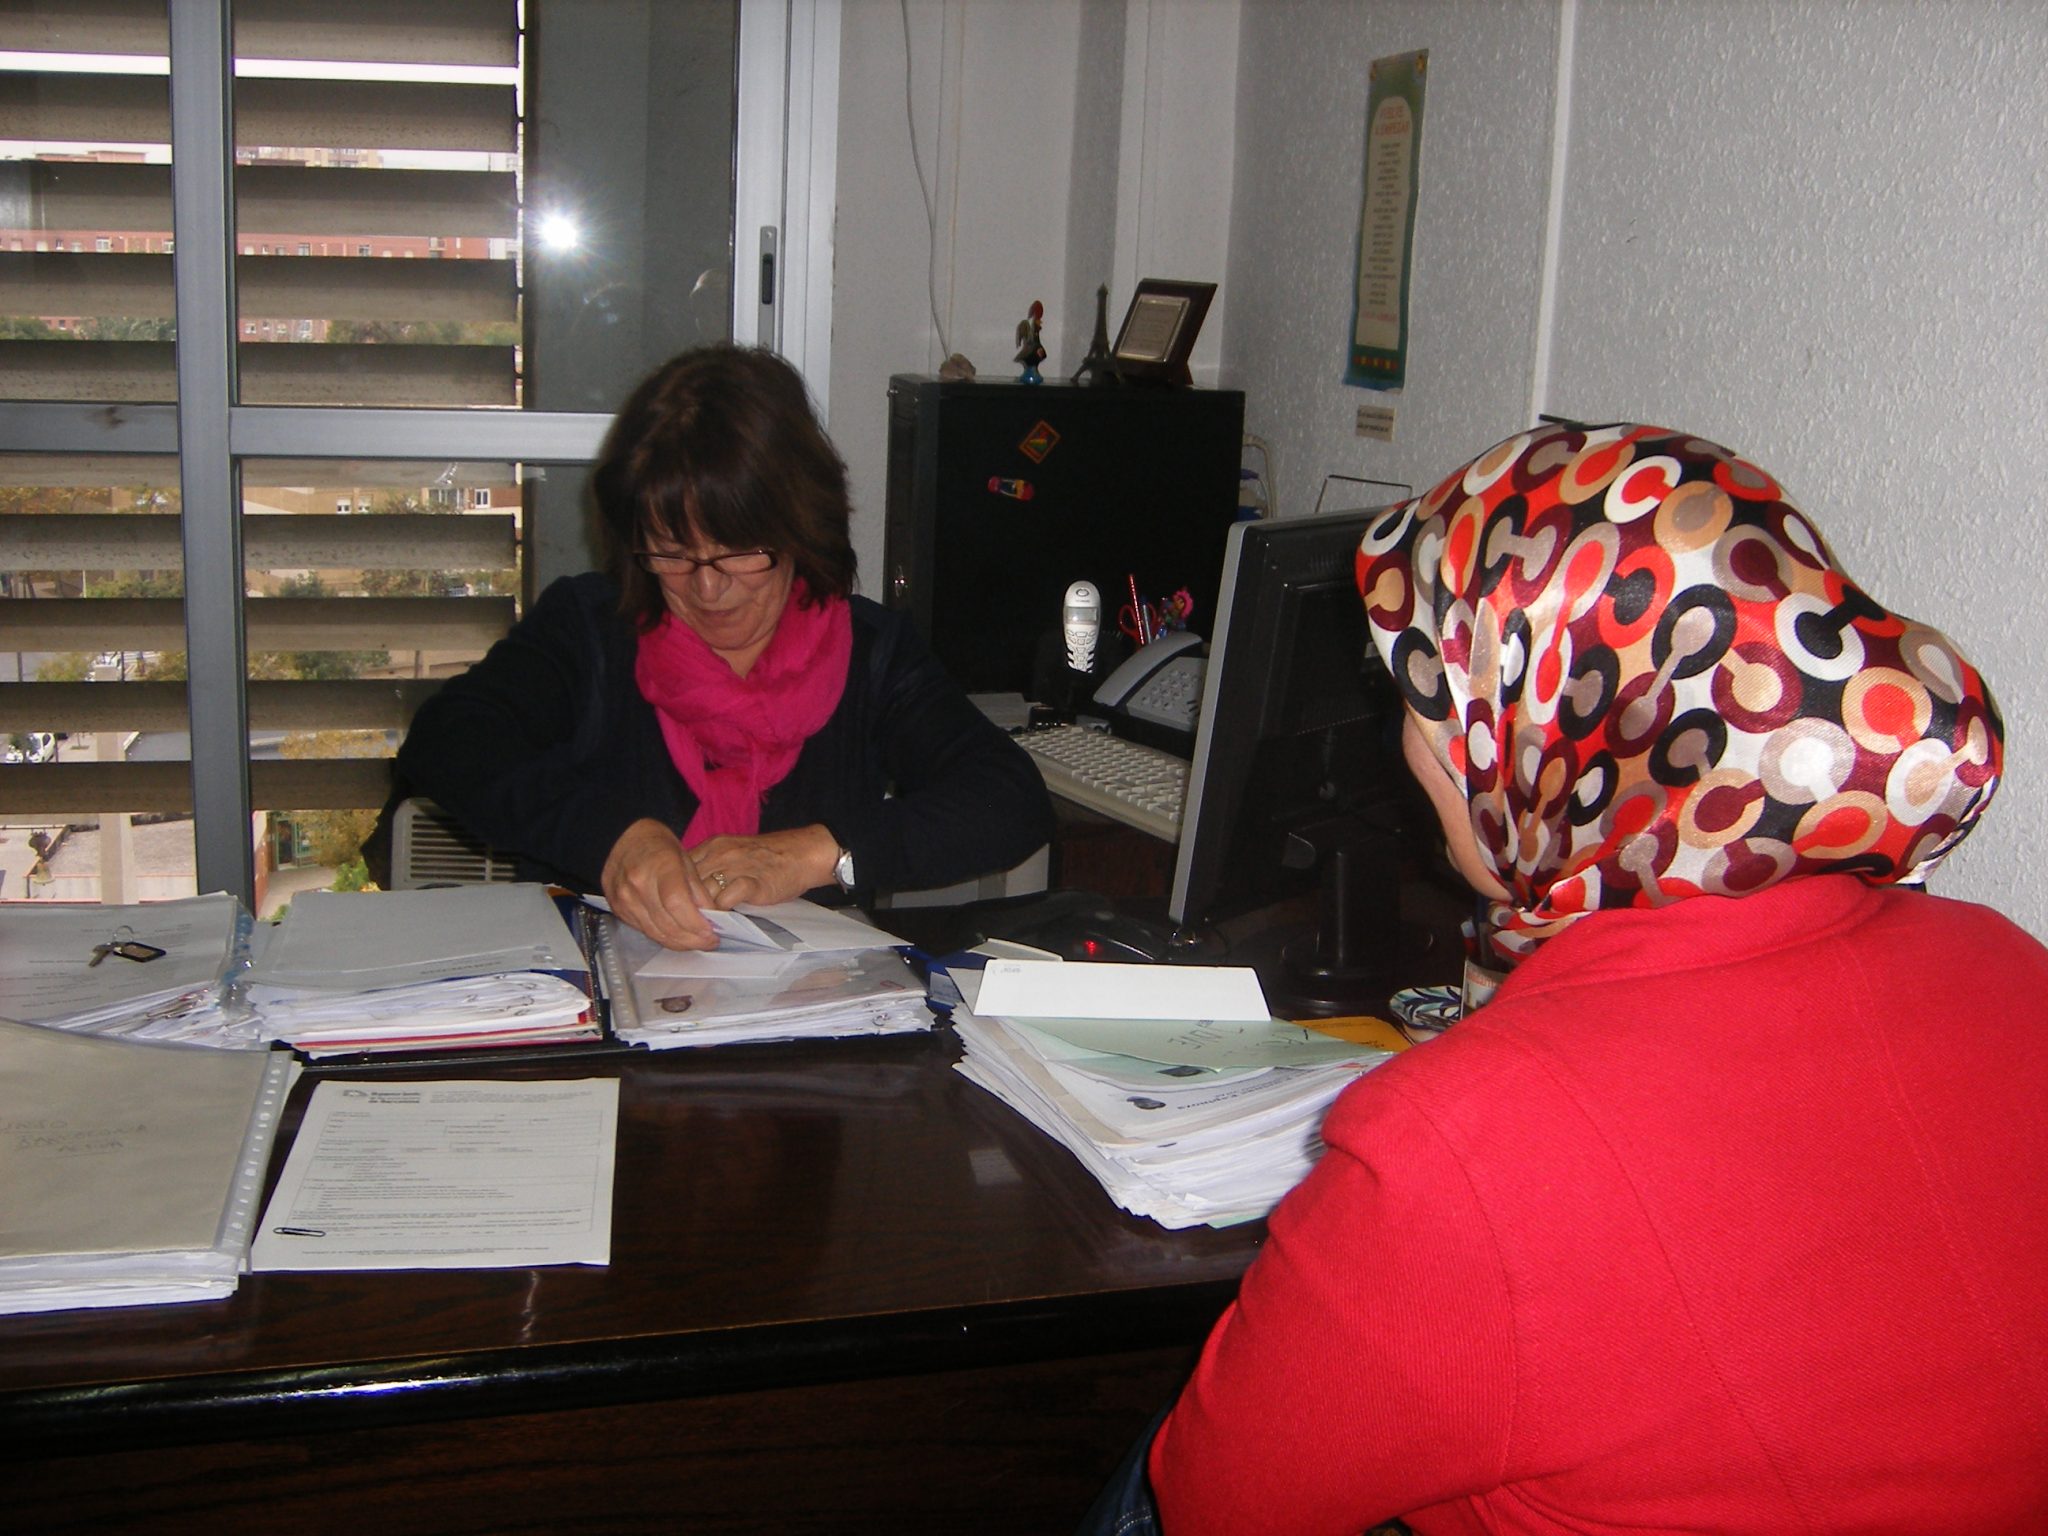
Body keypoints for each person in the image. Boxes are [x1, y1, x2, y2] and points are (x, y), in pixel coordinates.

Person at [1089, 423, 2048, 1533]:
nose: (1409, 743)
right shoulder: (2003, 965)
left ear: (1533, 725)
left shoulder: (1461, 1143)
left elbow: (1218, 1502)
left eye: (1423, 693)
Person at [384, 345, 1053, 949]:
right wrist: (616, 837)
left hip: (799, 1012)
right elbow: (448, 739)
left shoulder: (872, 654)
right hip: (597, 1000)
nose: (707, 588)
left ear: (800, 527)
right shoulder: (590, 629)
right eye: (671, 555)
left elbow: (1009, 798)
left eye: (738, 552)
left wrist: (827, 850)